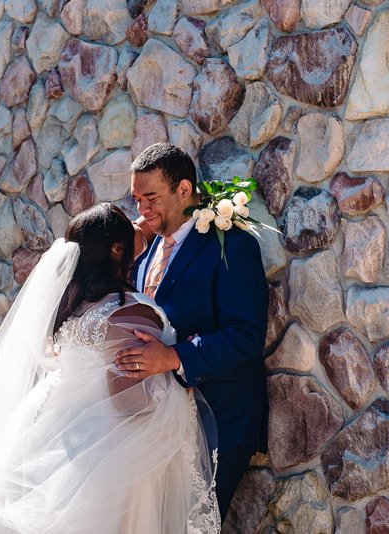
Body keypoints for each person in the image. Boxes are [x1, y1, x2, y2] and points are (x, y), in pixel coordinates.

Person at [0, 203, 220, 534]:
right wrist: (175, 369)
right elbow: (131, 402)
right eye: (126, 225)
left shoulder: (71, 306)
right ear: (116, 249)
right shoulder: (130, 312)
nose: (138, 221)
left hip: (57, 434)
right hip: (108, 455)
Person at [118, 143, 268, 519]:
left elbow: (246, 334)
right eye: (136, 200)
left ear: (184, 189)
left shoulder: (231, 245)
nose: (142, 210)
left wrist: (172, 358)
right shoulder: (148, 247)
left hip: (220, 418)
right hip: (160, 424)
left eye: (151, 197)